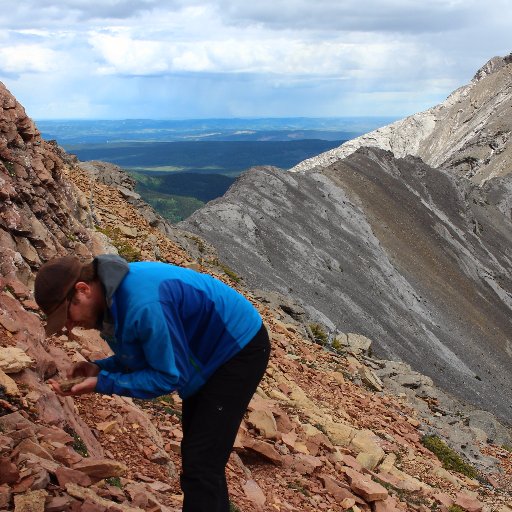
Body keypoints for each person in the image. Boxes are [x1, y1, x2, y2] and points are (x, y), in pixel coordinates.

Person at [34, 253, 270, 512]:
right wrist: (98, 369)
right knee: (200, 457)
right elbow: (143, 357)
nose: (68, 327)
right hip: (204, 351)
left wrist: (103, 383)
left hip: (237, 347)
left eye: (67, 315)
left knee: (202, 461)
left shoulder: (142, 304)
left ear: (83, 289)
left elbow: (168, 377)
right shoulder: (111, 302)